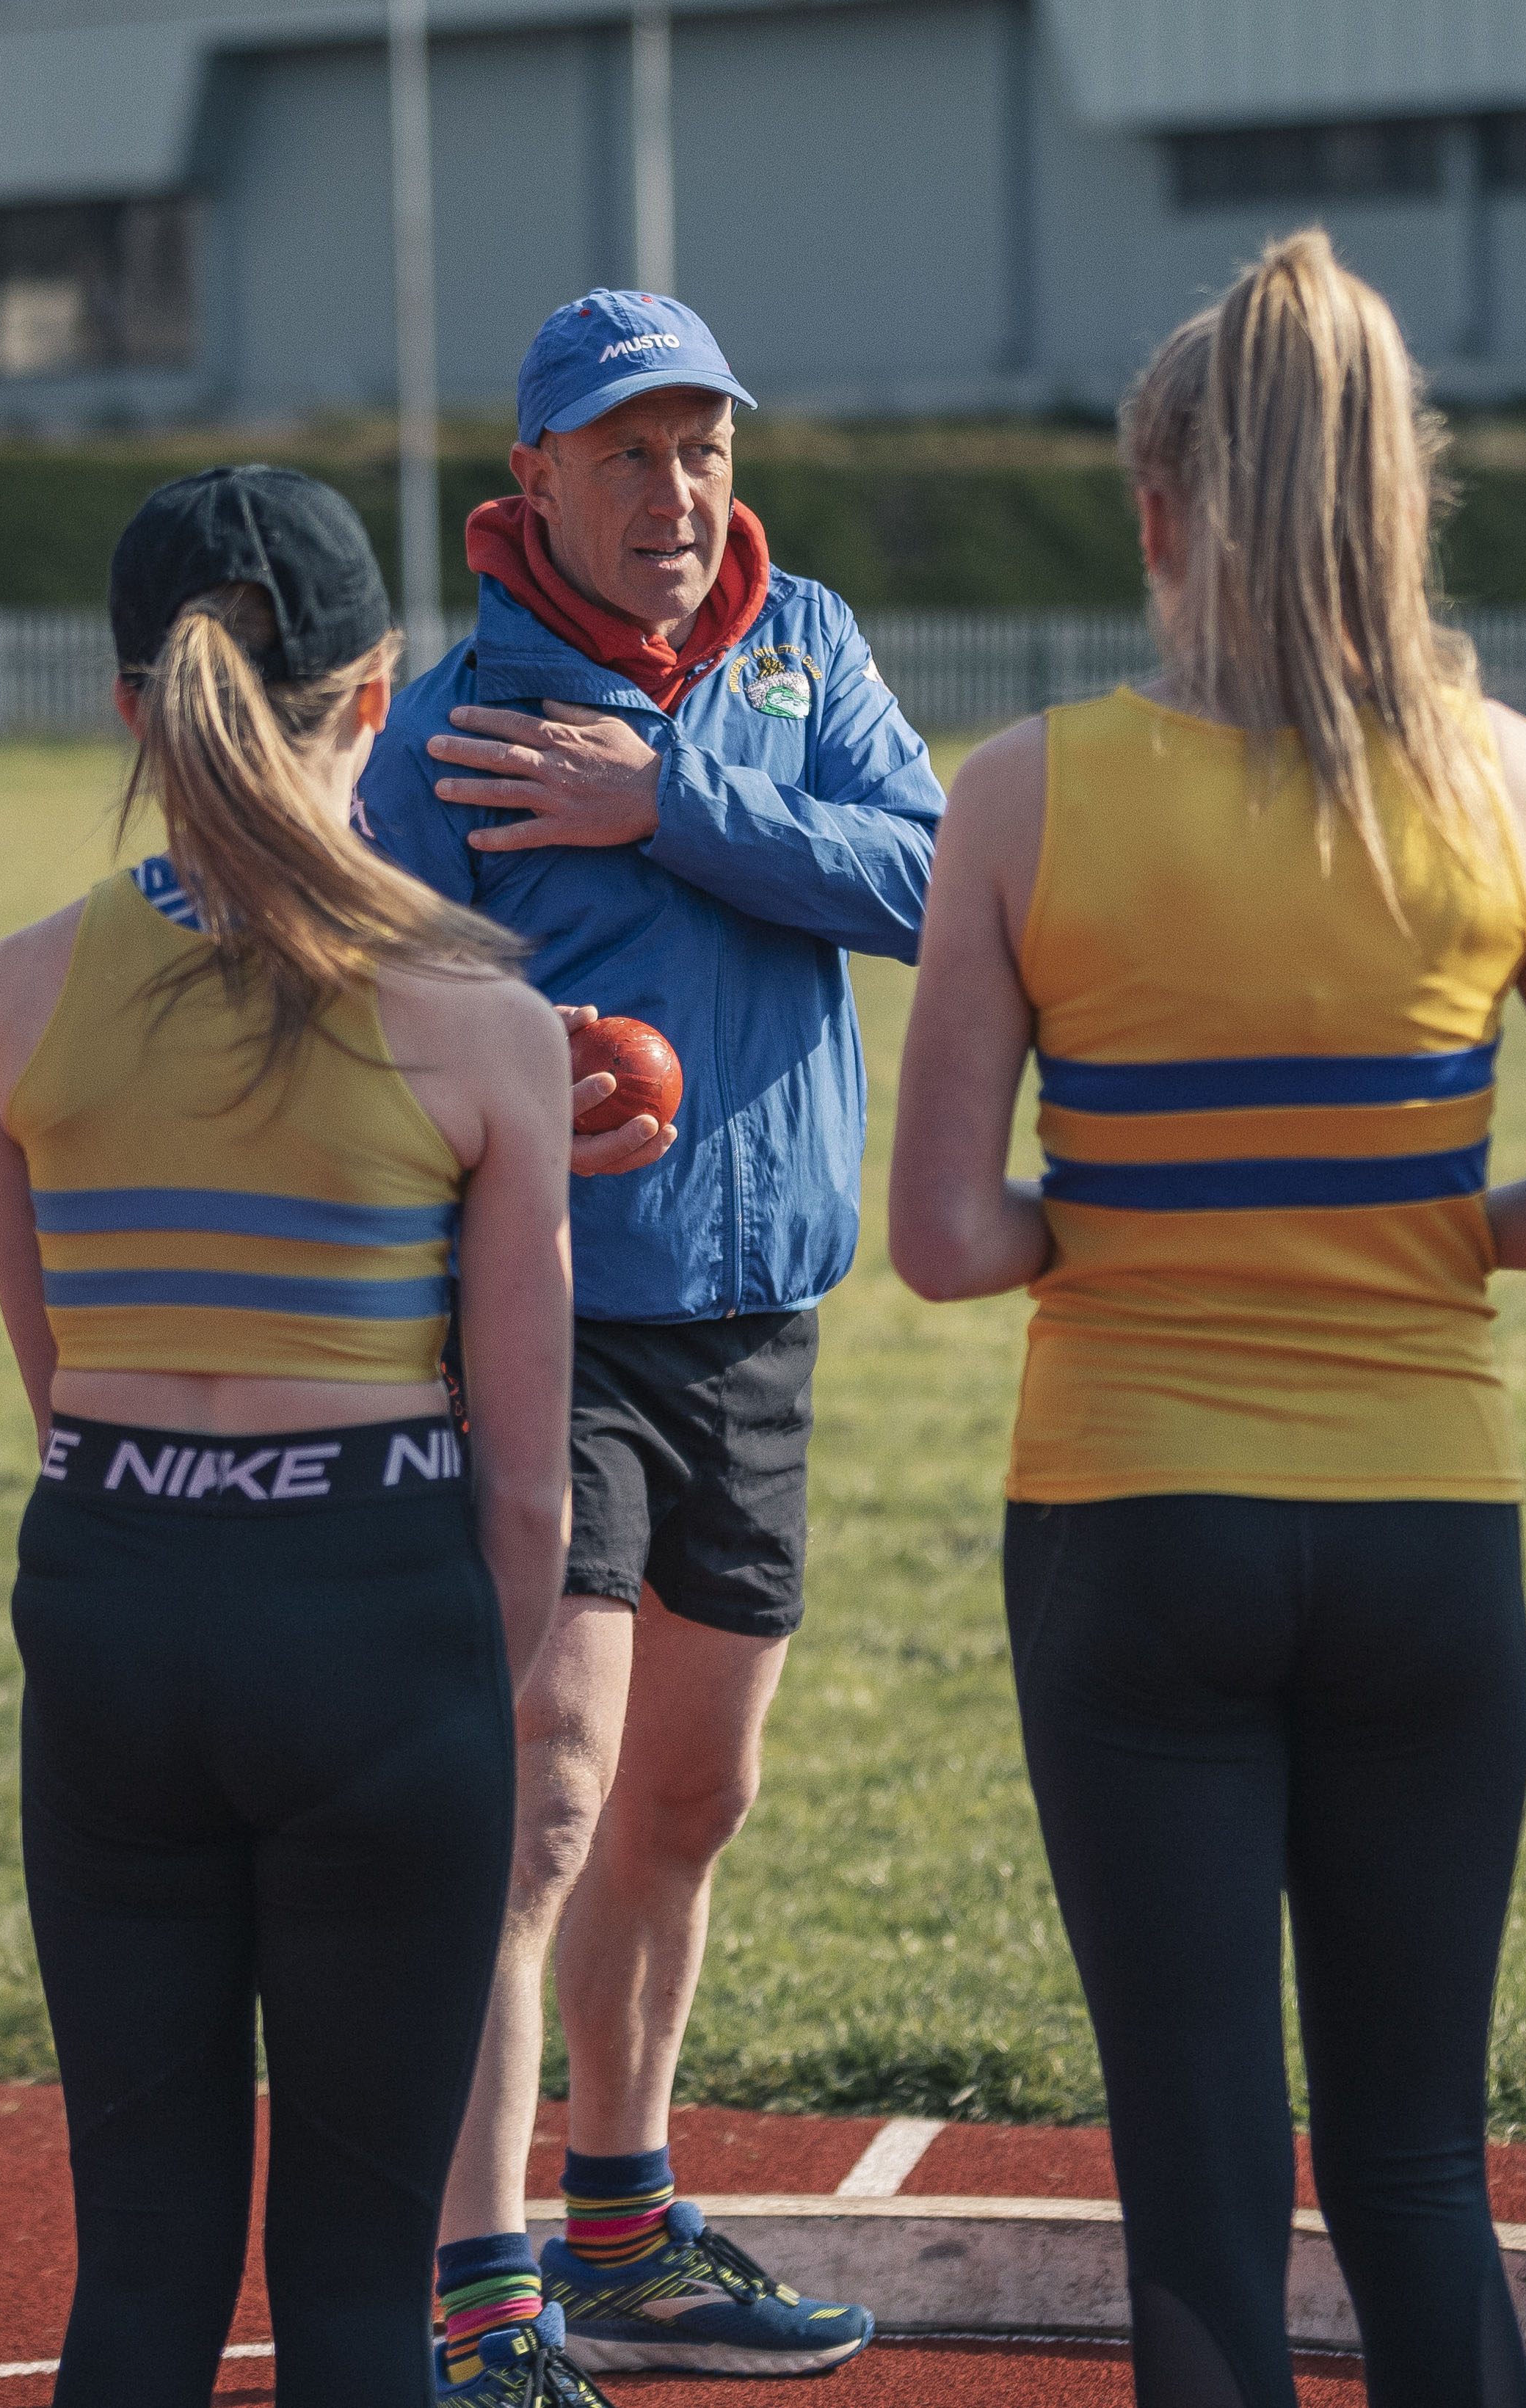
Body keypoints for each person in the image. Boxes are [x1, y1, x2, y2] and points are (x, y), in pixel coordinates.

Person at [884, 230, 1526, 2407]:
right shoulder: (1515, 782)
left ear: (1163, 511)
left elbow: (949, 1242)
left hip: (1132, 1523)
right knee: (1418, 2167)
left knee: (1200, 2183)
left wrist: (1125, 1212)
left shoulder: (1021, 793)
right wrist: (1432, 1224)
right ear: (1402, 502)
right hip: (1427, 1529)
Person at [353, 290, 934, 2390]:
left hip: (763, 1319)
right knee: (549, 1791)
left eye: (702, 446)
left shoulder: (812, 647)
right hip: (547, 1327)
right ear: (537, 484)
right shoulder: (444, 727)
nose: (680, 491)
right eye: (629, 454)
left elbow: (937, 879)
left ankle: (623, 2222)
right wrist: (520, 1068)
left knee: (693, 1793)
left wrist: (667, 801)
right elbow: (351, 1011)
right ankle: (481, 2289)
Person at [0, 466, 574, 2401]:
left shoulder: (15, 995)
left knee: (140, 2275)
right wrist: (457, 1697)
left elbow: (54, 1379)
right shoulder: (478, 1013)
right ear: (377, 693)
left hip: (120, 1604)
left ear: (128, 703)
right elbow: (536, 1474)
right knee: (357, 2298)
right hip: (376, 1618)